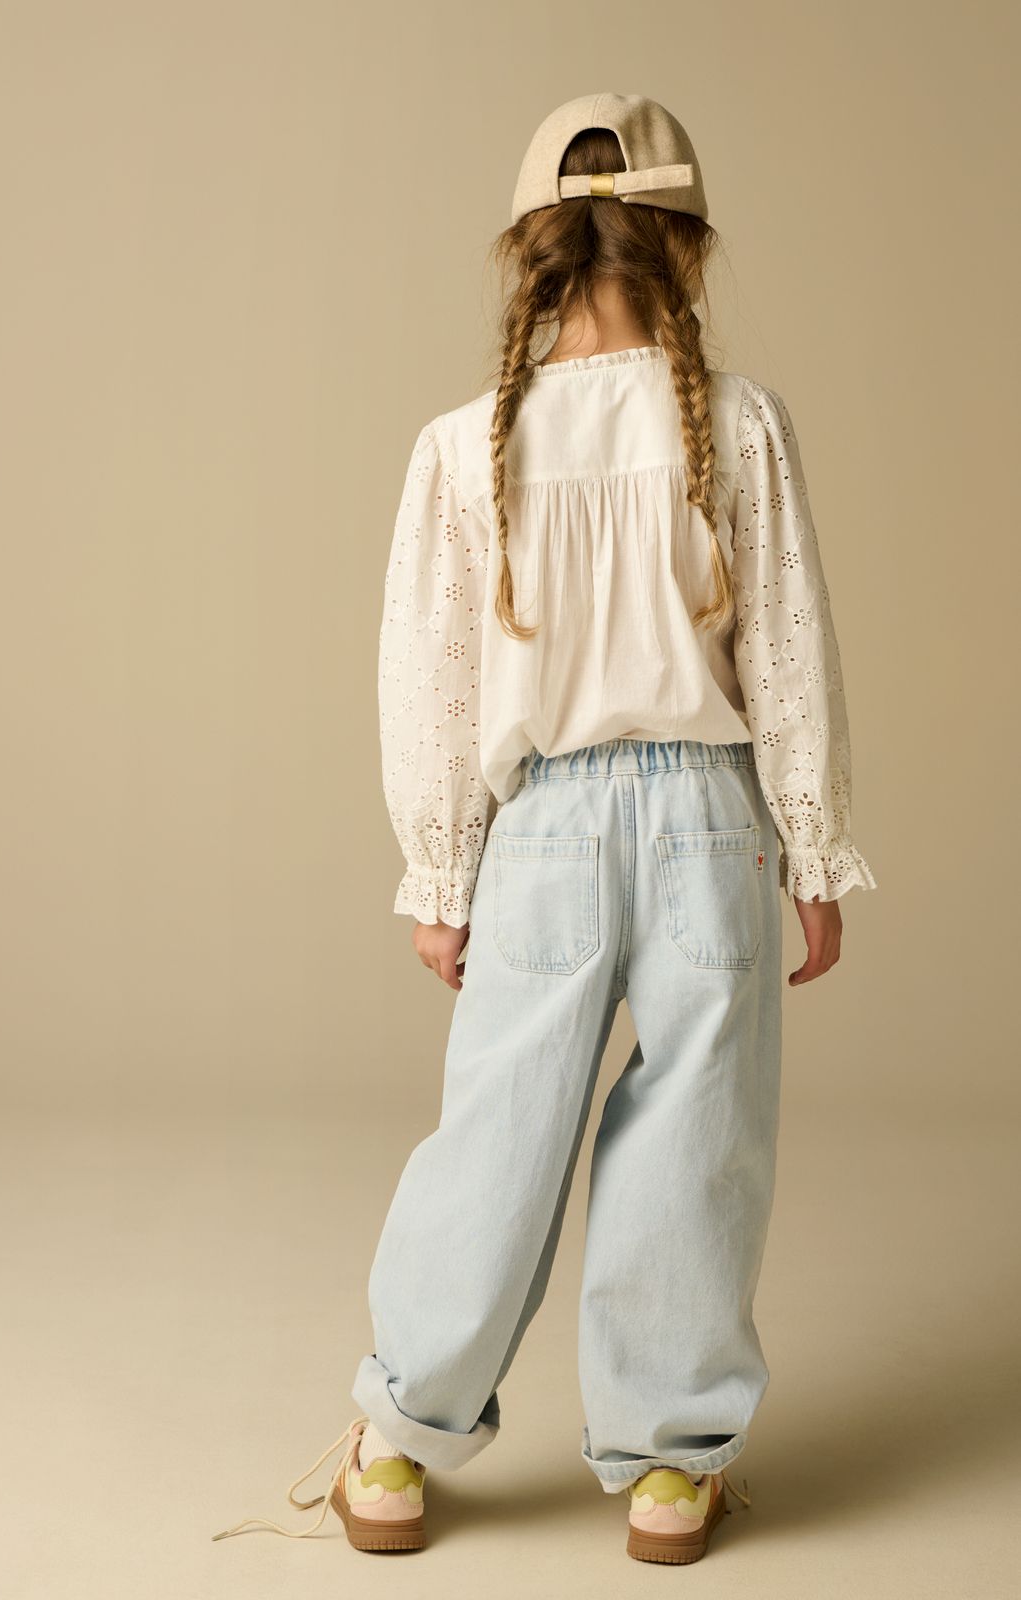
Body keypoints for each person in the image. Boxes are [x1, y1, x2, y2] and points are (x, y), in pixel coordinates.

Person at [213, 91, 878, 1565]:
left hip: (546, 834)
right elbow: (788, 651)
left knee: (497, 1138)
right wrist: (815, 849)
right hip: (712, 823)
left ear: (530, 251)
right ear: (686, 244)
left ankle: (399, 1439)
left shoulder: (467, 447)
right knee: (699, 1140)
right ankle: (670, 1468)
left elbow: (436, 678)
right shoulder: (742, 425)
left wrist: (440, 872)